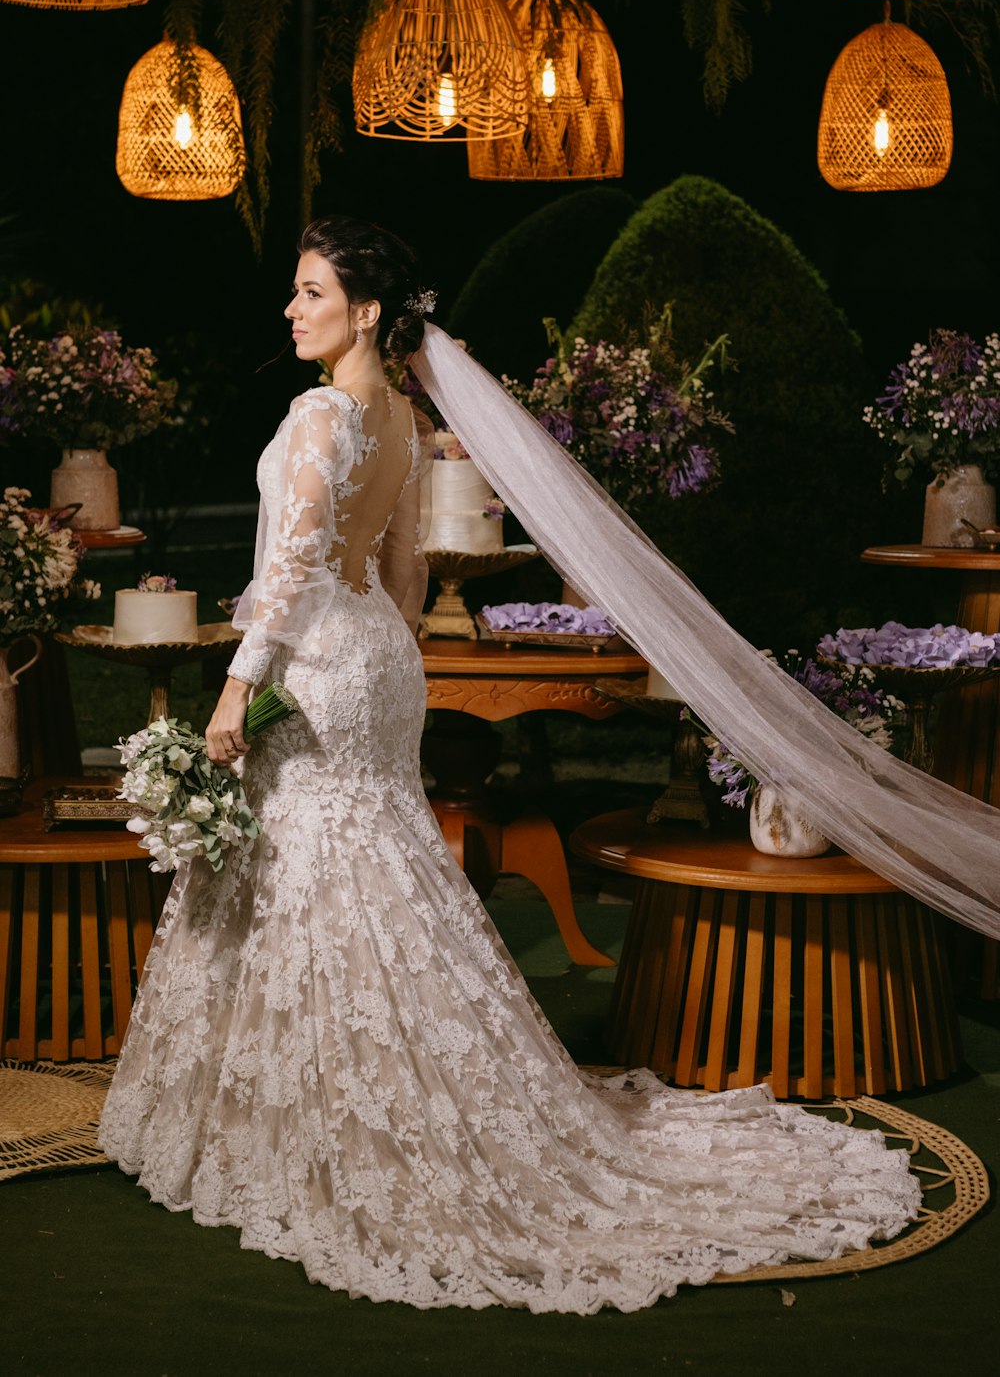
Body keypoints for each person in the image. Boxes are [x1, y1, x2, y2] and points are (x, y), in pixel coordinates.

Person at [99, 215, 927, 1314]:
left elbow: (294, 564)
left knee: (317, 871)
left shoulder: (319, 415)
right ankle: (366, 1087)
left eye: (309, 292)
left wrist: (241, 688)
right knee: (374, 863)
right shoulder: (399, 416)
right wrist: (378, 666)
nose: (290, 311)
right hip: (381, 661)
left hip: (316, 654)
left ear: (368, 311)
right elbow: (397, 573)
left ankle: (323, 1117)